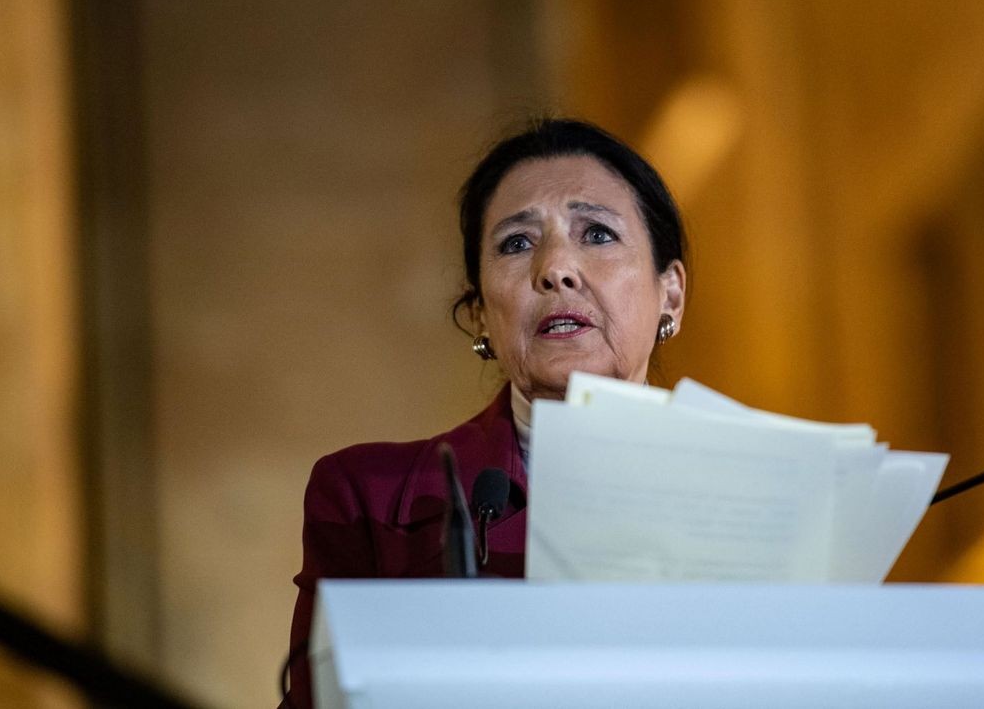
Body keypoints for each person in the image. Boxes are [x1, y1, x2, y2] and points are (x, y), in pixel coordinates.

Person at [281, 119, 688, 707]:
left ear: (669, 294)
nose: (556, 268)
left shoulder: (778, 491)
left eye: (596, 233)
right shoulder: (366, 497)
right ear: (479, 315)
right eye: (517, 243)